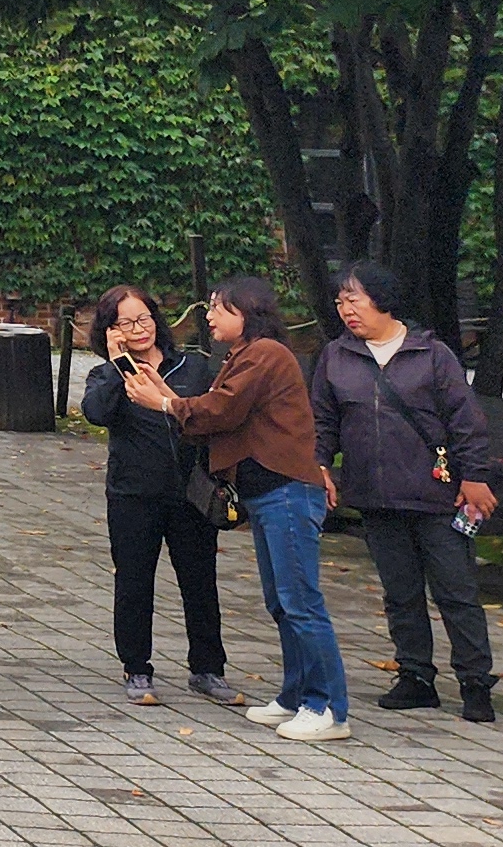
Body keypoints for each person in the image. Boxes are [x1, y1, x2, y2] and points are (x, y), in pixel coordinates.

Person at [131, 274, 345, 741]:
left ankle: (327, 706)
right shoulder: (244, 354)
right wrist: (167, 396)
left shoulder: (266, 353)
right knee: (281, 602)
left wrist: (164, 403)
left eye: (217, 308)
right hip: (268, 494)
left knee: (300, 602)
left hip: (289, 491)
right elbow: (215, 413)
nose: (208, 316)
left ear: (245, 313)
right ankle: (295, 695)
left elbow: (221, 410)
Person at [311, 260, 498, 722]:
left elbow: (466, 421)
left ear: (382, 299)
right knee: (400, 592)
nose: (345, 309)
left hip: (437, 495)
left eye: (354, 299)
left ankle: (475, 681)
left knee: (455, 591)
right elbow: (323, 420)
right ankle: (415, 675)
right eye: (340, 301)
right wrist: (320, 464)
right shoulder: (336, 356)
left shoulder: (431, 354)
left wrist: (474, 476)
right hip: (376, 496)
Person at [79, 283, 233, 705]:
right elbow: (96, 413)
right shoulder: (107, 375)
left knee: (200, 582)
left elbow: (211, 416)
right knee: (133, 581)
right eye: (126, 323)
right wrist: (119, 365)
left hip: (192, 492)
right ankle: (136, 668)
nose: (139, 329)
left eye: (143, 318)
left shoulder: (193, 366)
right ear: (111, 330)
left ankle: (207, 667)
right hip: (133, 492)